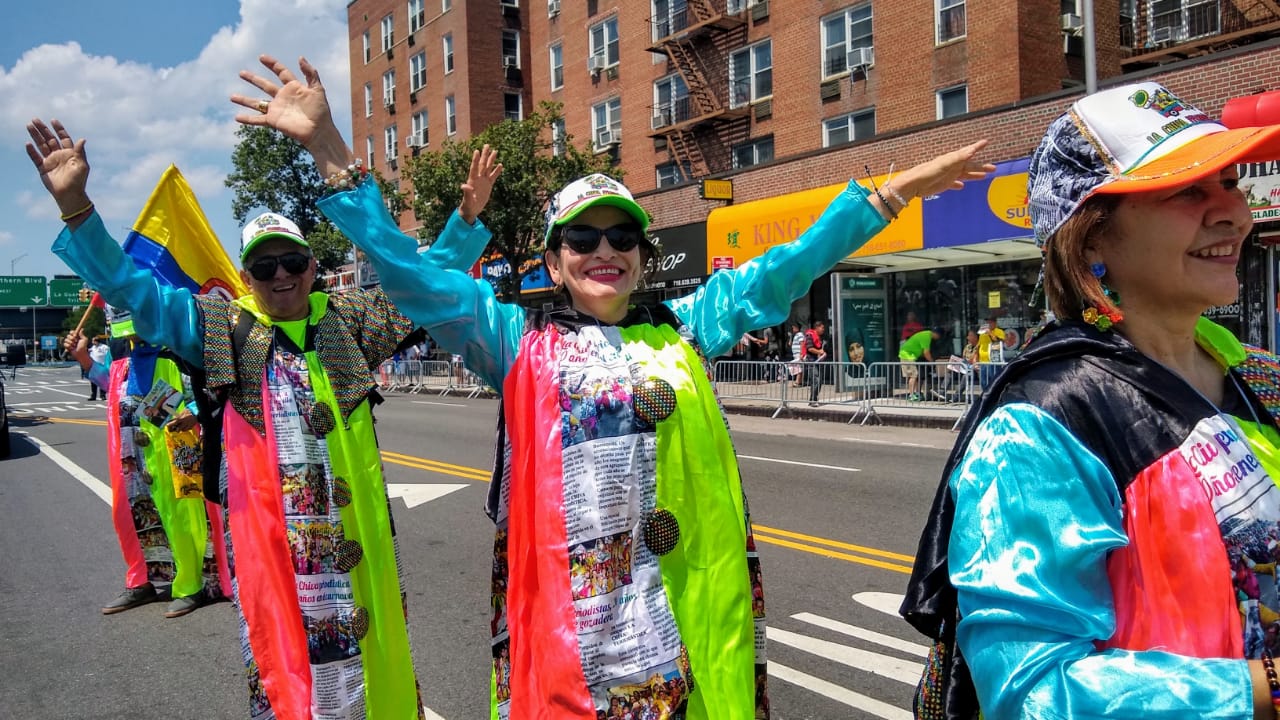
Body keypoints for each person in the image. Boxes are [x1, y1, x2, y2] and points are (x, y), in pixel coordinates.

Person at [238, 51, 993, 720]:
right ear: (555, 258)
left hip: (688, 618)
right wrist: (330, 149)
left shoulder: (689, 326)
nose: (606, 251)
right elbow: (409, 271)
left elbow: (786, 266)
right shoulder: (515, 342)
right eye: (584, 238)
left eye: (623, 236)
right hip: (580, 644)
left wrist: (896, 191)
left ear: (640, 252)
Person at [26, 109, 499, 717]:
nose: (282, 275)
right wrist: (77, 211)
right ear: (246, 276)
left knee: (377, 665)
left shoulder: (348, 318)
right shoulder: (221, 326)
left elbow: (425, 285)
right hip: (274, 551)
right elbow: (132, 289)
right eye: (265, 266)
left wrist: (463, 224)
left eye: (293, 262)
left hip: (361, 546)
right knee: (290, 675)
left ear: (312, 267)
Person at [901, 80, 1280, 719]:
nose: (1233, 213)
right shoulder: (1040, 422)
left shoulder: (1260, 375)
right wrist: (1266, 689)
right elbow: (1033, 693)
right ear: (1092, 239)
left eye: (1232, 182)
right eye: (1188, 189)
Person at [66, 315, 229, 619]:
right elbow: (113, 384)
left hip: (174, 443)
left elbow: (216, 385)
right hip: (131, 447)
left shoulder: (180, 342)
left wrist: (194, 411)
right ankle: (144, 581)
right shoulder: (121, 349)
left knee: (182, 512)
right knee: (130, 512)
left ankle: (192, 584)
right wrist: (85, 360)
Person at [898, 326, 941, 401]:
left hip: (910, 355)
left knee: (915, 375)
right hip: (907, 355)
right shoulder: (927, 337)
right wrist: (932, 362)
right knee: (913, 375)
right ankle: (911, 395)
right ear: (936, 334)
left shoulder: (926, 334)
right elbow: (926, 352)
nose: (938, 338)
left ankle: (916, 393)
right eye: (939, 336)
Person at [975, 315, 1007, 390]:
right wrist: (976, 359)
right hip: (983, 362)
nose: (988, 324)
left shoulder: (999, 331)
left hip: (993, 362)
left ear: (995, 323)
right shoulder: (982, 333)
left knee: (994, 381)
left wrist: (990, 334)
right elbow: (979, 346)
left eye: (990, 322)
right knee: (984, 382)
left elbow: (998, 342)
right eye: (987, 322)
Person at [804, 320, 828, 407]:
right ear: (817, 327)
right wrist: (819, 351)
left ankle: (813, 398)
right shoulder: (810, 335)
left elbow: (820, 349)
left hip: (818, 361)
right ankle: (813, 400)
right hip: (811, 361)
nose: (823, 329)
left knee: (819, 380)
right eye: (822, 328)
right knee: (816, 379)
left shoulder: (820, 337)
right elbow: (810, 348)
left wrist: (823, 353)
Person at [86, 335, 108, 400]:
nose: (92, 342)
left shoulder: (104, 347)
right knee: (93, 382)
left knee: (102, 382)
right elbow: (88, 351)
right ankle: (93, 396)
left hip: (102, 366)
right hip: (94, 367)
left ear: (97, 341)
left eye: (93, 341)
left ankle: (103, 395)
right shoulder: (93, 347)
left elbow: (108, 355)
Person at [787, 321, 806, 386]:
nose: (792, 329)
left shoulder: (800, 334)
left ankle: (798, 382)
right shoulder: (795, 335)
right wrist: (790, 337)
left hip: (798, 354)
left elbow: (802, 343)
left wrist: (801, 353)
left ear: (797, 328)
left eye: (793, 328)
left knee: (799, 367)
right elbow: (790, 344)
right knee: (798, 367)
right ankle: (799, 381)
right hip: (796, 354)